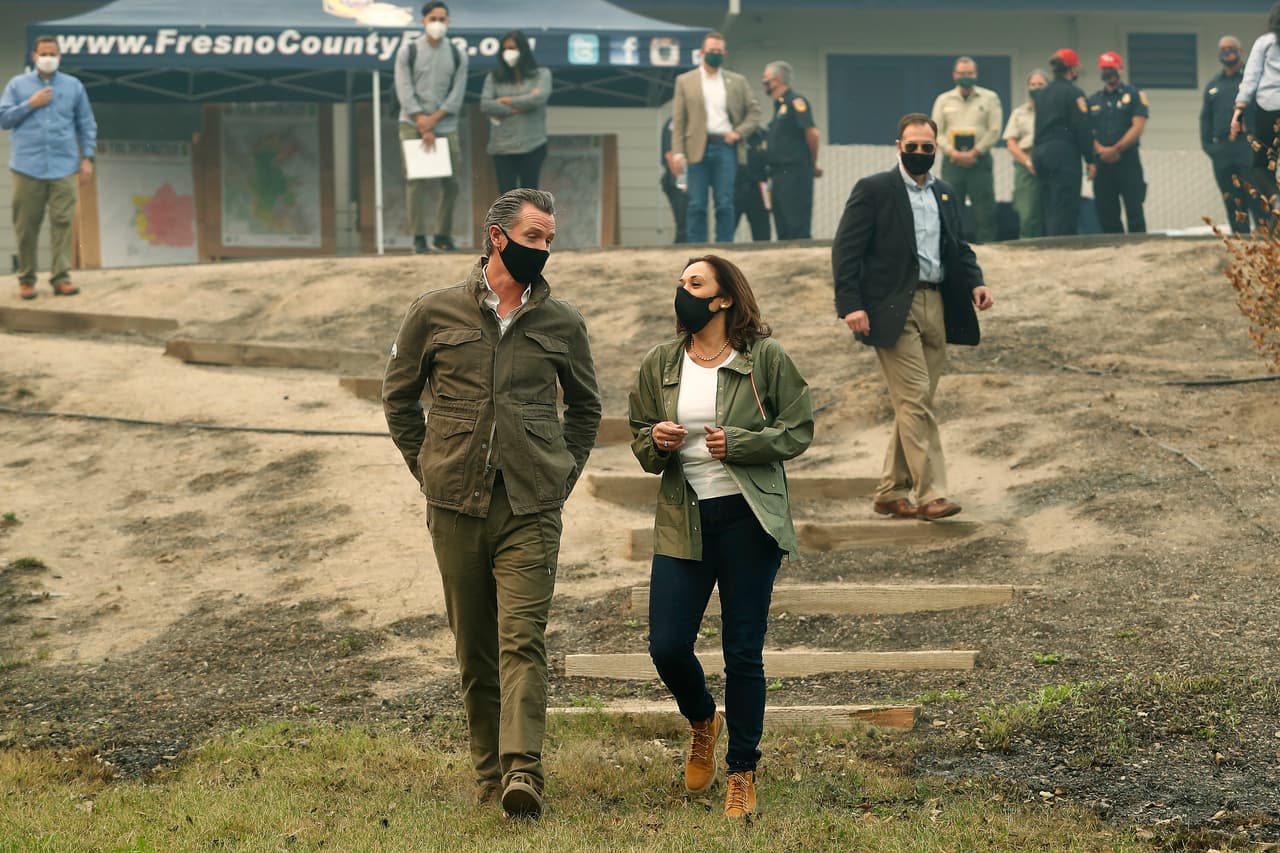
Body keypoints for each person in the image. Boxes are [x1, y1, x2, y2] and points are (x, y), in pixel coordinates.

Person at [383, 188, 602, 819]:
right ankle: (488, 773)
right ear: (497, 237)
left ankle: (522, 772)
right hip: (456, 507)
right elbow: (399, 400)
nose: (544, 249)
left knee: (523, 639)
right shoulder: (434, 312)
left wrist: (561, 475)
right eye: (534, 237)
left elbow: (586, 409)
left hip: (531, 508)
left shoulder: (562, 322)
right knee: (475, 645)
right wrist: (429, 468)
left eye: (550, 240)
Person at [629, 253, 813, 819]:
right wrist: (655, 441)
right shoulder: (661, 362)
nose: (682, 291)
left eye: (695, 283)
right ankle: (703, 719)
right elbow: (639, 439)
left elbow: (798, 428)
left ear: (724, 297)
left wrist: (741, 443)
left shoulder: (764, 358)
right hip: (683, 518)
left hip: (748, 519)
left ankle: (742, 772)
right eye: (680, 283)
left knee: (742, 653)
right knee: (666, 645)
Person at [830, 113, 994, 521]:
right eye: (912, 146)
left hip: (937, 305)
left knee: (915, 404)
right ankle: (931, 494)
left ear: (936, 149)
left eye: (927, 147)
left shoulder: (945, 194)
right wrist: (850, 304)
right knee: (916, 399)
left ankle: (890, 492)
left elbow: (958, 246)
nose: (919, 153)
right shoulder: (873, 190)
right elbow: (846, 250)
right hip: (891, 310)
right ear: (898, 146)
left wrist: (976, 282)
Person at [0, 36, 95, 300]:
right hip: (27, 167)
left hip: (64, 166)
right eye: (44, 54)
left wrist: (88, 157)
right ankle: (26, 279)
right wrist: (30, 104)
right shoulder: (17, 85)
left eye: (53, 54)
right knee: (26, 225)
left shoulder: (73, 86)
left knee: (63, 222)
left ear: (60, 56)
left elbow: (86, 123)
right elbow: (4, 119)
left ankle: (61, 278)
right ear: (34, 56)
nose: (48, 58)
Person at [670, 32, 762, 243]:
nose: (716, 54)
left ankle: (725, 247)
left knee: (725, 202)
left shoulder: (737, 81)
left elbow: (754, 111)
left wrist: (739, 132)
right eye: (712, 50)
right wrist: (678, 152)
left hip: (725, 146)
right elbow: (679, 119)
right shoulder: (685, 81)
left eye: (719, 51)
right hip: (696, 148)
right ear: (702, 52)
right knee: (696, 204)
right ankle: (696, 249)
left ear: (724, 54)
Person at [395, 1, 468, 254]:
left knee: (452, 182)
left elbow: (457, 95)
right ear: (423, 21)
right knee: (416, 181)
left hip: (445, 123)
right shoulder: (408, 51)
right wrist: (421, 121)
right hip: (412, 122)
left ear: (448, 21)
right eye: (433, 18)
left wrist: (434, 120)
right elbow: (404, 89)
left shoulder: (458, 54)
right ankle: (419, 237)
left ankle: (442, 234)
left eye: (442, 19)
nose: (438, 23)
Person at [930, 56, 1003, 243]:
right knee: (950, 208)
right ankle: (952, 248)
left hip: (979, 161)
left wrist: (975, 151)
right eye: (962, 73)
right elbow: (936, 131)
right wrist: (952, 152)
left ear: (976, 74)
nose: (965, 77)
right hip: (952, 162)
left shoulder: (990, 98)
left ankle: (988, 248)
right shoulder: (943, 100)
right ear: (954, 75)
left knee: (985, 210)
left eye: (969, 73)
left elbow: (994, 130)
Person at [1203, 36, 1265, 234]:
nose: (1227, 52)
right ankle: (1241, 240)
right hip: (1222, 149)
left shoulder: (1252, 81)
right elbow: (1205, 119)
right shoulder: (1213, 85)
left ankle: (1266, 240)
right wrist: (1209, 147)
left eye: (1231, 48)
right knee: (1232, 198)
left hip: (1247, 146)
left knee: (1256, 195)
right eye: (1223, 49)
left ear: (1240, 52)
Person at [1033, 48, 1097, 236]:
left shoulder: (1042, 94)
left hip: (1040, 152)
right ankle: (1061, 246)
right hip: (1063, 154)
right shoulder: (1074, 93)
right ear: (1072, 68)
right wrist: (1090, 159)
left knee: (1047, 204)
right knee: (1065, 205)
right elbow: (1082, 128)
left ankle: (1047, 243)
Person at [480, 30, 551, 194]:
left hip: (532, 145)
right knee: (508, 199)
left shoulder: (541, 74)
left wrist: (507, 100)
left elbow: (538, 98)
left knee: (529, 198)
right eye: (505, 49)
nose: (508, 53)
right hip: (502, 147)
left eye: (512, 48)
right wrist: (517, 107)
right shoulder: (494, 77)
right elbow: (485, 105)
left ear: (523, 49)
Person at [1087, 52, 1149, 234]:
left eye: (1111, 69)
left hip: (1127, 160)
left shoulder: (1134, 95)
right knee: (1106, 212)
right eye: (1105, 69)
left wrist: (1116, 149)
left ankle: (1139, 247)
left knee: (1134, 209)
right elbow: (1086, 130)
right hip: (1102, 163)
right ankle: (1114, 248)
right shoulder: (1093, 100)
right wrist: (1100, 150)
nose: (1108, 73)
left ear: (1120, 69)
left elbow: (1138, 126)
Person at [762, 60, 822, 240]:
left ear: (777, 80)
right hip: (778, 174)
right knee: (782, 224)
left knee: (796, 223)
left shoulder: (795, 102)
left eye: (766, 78)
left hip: (795, 173)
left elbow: (812, 134)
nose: (764, 83)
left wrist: (812, 162)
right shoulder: (779, 106)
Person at [1232, 1, 1280, 219]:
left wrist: (1238, 111)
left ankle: (1275, 198)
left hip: (1269, 109)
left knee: (1260, 166)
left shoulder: (1265, 42)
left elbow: (1250, 78)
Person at [1003, 70, 1048, 239]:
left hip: (1049, 164)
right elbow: (1011, 143)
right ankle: (1027, 246)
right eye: (1033, 85)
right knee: (1028, 213)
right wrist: (1028, 162)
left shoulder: (1055, 111)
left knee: (1051, 213)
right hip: (1026, 164)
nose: (1036, 88)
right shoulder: (1019, 113)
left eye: (1040, 84)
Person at [733, 128, 771, 242]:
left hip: (758, 189)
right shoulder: (731, 135)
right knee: (727, 231)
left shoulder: (763, 135)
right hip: (734, 188)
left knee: (762, 235)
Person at [660, 116, 688, 243]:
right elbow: (670, 155)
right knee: (684, 226)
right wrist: (682, 182)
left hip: (688, 181)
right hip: (678, 181)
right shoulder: (674, 123)